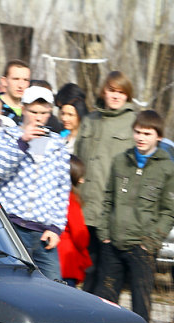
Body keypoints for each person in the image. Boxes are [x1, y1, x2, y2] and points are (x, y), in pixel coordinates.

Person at [94, 110, 174, 323]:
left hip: (142, 248)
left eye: (147, 133)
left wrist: (150, 242)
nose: (141, 138)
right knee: (105, 301)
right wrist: (104, 233)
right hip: (113, 243)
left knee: (140, 305)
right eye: (138, 132)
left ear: (159, 137)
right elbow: (108, 199)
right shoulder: (120, 161)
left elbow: (169, 212)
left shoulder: (169, 170)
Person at [0, 85, 71, 281]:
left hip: (43, 231)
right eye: (34, 112)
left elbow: (62, 189)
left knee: (55, 285)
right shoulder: (8, 135)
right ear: (24, 109)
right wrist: (22, 142)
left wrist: (56, 228)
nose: (38, 118)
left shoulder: (58, 145)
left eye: (43, 113)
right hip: (11, 225)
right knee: (9, 282)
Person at [74, 71, 138, 292]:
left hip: (111, 214)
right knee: (82, 272)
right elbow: (76, 160)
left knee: (105, 278)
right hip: (83, 210)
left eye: (121, 92)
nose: (116, 96)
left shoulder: (133, 124)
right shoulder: (90, 120)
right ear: (103, 91)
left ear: (128, 95)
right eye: (111, 90)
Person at [58, 155, 91, 287]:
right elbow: (80, 234)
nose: (82, 181)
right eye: (80, 176)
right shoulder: (71, 199)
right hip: (66, 260)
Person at [55, 83, 87, 152]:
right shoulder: (61, 137)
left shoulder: (86, 140)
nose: (64, 118)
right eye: (63, 113)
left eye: (70, 115)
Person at [0, 60, 30, 124]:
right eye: (16, 79)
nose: (21, 85)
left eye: (25, 80)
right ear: (4, 81)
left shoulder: (33, 111)